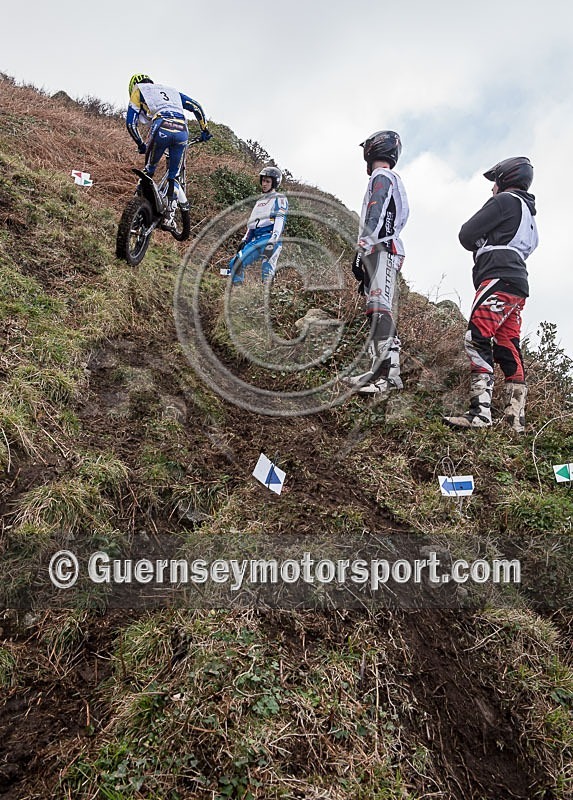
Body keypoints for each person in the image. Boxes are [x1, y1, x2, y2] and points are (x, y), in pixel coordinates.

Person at [444, 157, 538, 432]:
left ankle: (480, 413)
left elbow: (466, 233)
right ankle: (514, 419)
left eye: (494, 182)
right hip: (518, 281)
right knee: (508, 342)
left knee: (477, 337)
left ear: (506, 179)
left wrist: (481, 243)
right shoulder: (529, 215)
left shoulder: (505, 201)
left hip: (497, 275)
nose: (492, 188)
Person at [345, 130, 409, 394]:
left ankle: (388, 376)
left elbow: (376, 210)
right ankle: (378, 370)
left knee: (381, 309)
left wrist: (363, 246)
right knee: (375, 309)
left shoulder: (382, 177)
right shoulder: (390, 178)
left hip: (382, 248)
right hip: (383, 248)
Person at [125, 73, 211, 229]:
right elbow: (196, 107)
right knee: (174, 175)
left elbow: (131, 124)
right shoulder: (172, 92)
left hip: (161, 127)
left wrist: (140, 144)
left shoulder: (139, 90)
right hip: (182, 131)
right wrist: (204, 130)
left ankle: (138, 203)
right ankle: (169, 217)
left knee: (149, 170)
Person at [229, 166, 288, 285]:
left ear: (274, 183)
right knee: (236, 262)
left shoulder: (279, 198)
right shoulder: (259, 201)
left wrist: (273, 240)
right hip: (256, 239)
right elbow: (253, 224)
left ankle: (267, 298)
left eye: (268, 181)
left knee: (267, 271)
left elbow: (280, 219)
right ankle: (237, 292)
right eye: (263, 180)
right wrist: (245, 240)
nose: (264, 184)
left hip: (270, 237)